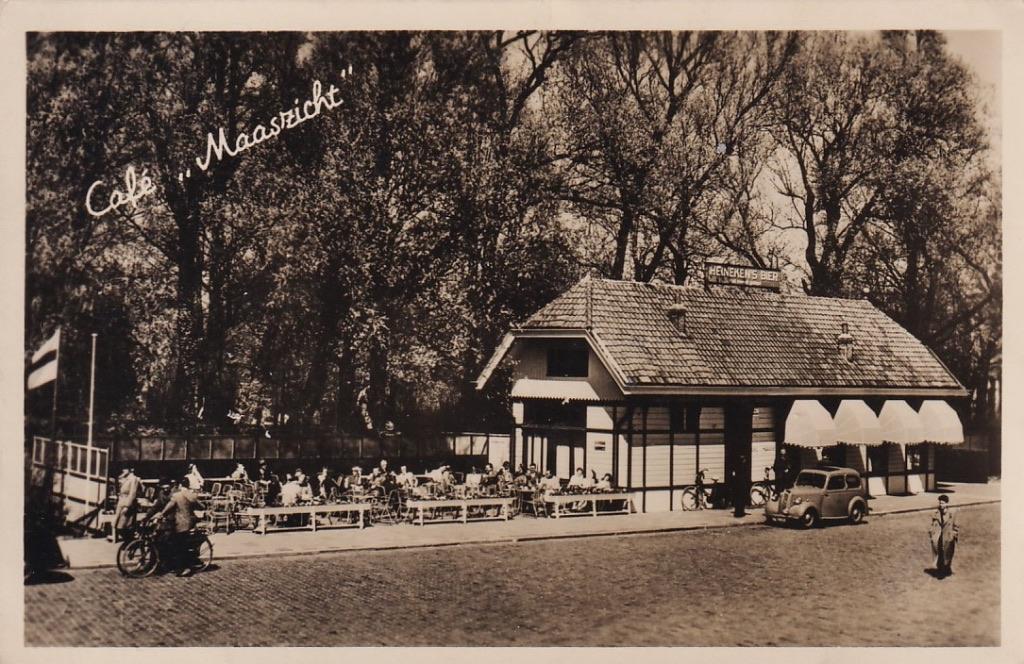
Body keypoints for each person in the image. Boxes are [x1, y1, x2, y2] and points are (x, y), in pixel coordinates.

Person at [159, 476, 204, 576]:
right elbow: (201, 506)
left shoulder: (177, 495)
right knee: (181, 544)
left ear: (180, 485)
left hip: (180, 523)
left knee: (180, 546)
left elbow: (169, 507)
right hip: (190, 522)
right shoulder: (192, 495)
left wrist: (162, 514)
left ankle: (185, 568)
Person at [929, 494, 960, 578]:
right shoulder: (935, 513)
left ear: (947, 504)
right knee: (939, 551)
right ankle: (940, 569)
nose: (941, 505)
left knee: (948, 552)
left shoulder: (952, 513)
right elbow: (932, 524)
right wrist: (931, 533)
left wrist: (954, 534)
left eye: (942, 503)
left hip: (948, 535)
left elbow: (956, 525)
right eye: (940, 503)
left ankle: (947, 568)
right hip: (938, 535)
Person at [113, 467, 142, 542]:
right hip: (121, 502)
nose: (123, 470)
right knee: (117, 525)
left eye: (125, 469)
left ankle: (129, 543)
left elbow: (132, 493)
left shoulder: (133, 479)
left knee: (125, 526)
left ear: (130, 470)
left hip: (128, 503)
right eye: (123, 468)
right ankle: (128, 542)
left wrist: (127, 506)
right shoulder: (124, 478)